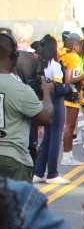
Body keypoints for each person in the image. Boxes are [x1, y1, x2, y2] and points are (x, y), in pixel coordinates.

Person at [0, 33, 54, 182]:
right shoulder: (20, 89)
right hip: (13, 160)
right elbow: (47, 118)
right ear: (14, 56)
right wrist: (47, 91)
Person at [31, 36, 70, 185]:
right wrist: (69, 89)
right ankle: (53, 173)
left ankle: (39, 172)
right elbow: (58, 88)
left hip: (45, 101)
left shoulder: (40, 64)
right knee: (55, 138)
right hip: (56, 102)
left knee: (46, 138)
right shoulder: (55, 65)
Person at [59, 34, 84, 167]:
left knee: (70, 126)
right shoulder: (73, 57)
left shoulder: (68, 57)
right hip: (73, 92)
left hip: (72, 91)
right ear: (75, 45)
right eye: (79, 45)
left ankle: (69, 155)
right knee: (70, 126)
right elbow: (69, 79)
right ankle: (66, 156)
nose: (80, 47)